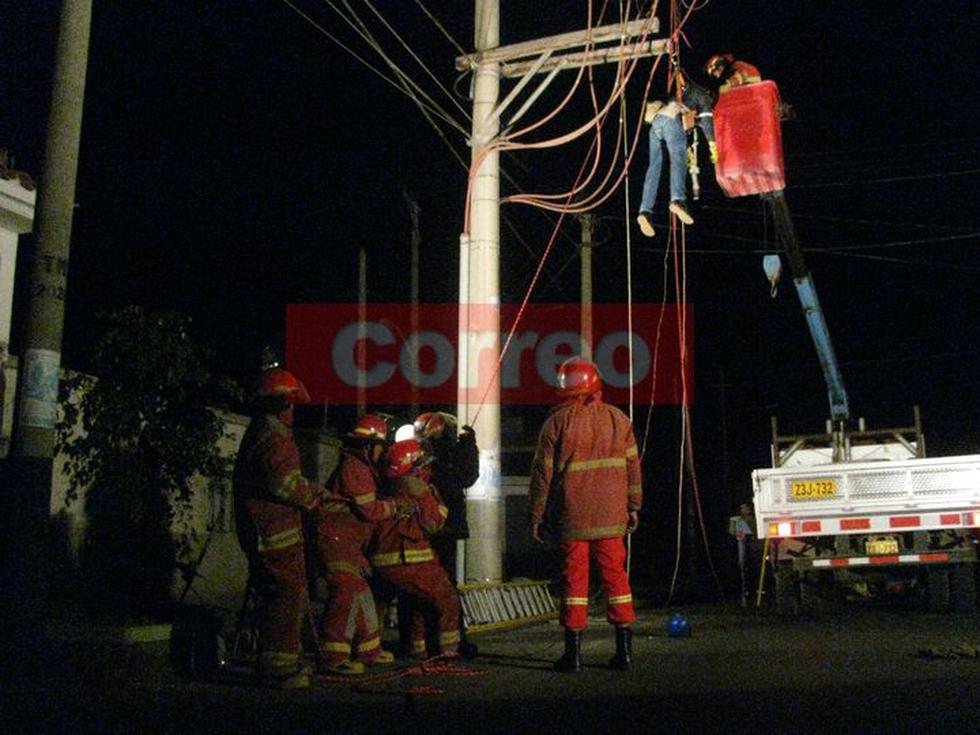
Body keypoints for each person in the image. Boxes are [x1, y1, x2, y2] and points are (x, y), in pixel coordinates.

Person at [529, 356, 643, 672]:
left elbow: (542, 476)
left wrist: (536, 516)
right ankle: (625, 652)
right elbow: (633, 468)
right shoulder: (618, 419)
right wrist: (634, 506)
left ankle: (573, 655)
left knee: (574, 582)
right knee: (616, 579)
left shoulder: (555, 423)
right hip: (611, 518)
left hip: (571, 519)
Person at [233, 367, 322, 688]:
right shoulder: (276, 440)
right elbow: (282, 484)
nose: (293, 411)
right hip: (273, 532)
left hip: (263, 530)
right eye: (291, 404)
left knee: (281, 594)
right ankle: (278, 670)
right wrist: (310, 494)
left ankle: (285, 661)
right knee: (286, 596)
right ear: (280, 404)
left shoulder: (260, 434)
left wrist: (307, 487)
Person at [314, 413, 398, 675]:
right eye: (380, 446)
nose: (381, 452)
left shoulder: (358, 467)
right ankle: (333, 657)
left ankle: (369, 650)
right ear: (368, 445)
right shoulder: (356, 468)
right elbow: (369, 510)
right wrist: (396, 506)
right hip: (336, 542)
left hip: (345, 543)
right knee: (346, 592)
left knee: (361, 591)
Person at [369, 438, 462, 659]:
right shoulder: (418, 489)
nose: (427, 469)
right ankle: (448, 652)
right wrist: (434, 498)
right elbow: (434, 523)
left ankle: (415, 647)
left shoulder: (386, 486)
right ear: (413, 468)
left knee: (415, 601)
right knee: (446, 598)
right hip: (411, 558)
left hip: (383, 560)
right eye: (423, 465)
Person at [409, 412, 480, 657]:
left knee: (418, 588)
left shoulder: (415, 458)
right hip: (442, 531)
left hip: (419, 533)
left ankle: (418, 643)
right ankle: (451, 644)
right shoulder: (441, 463)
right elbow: (466, 476)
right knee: (445, 589)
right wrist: (469, 447)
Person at [637, 98, 694, 238]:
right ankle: (677, 199)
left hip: (655, 127)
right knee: (678, 159)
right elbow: (688, 128)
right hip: (670, 121)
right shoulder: (690, 104)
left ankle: (645, 211)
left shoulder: (675, 104)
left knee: (653, 168)